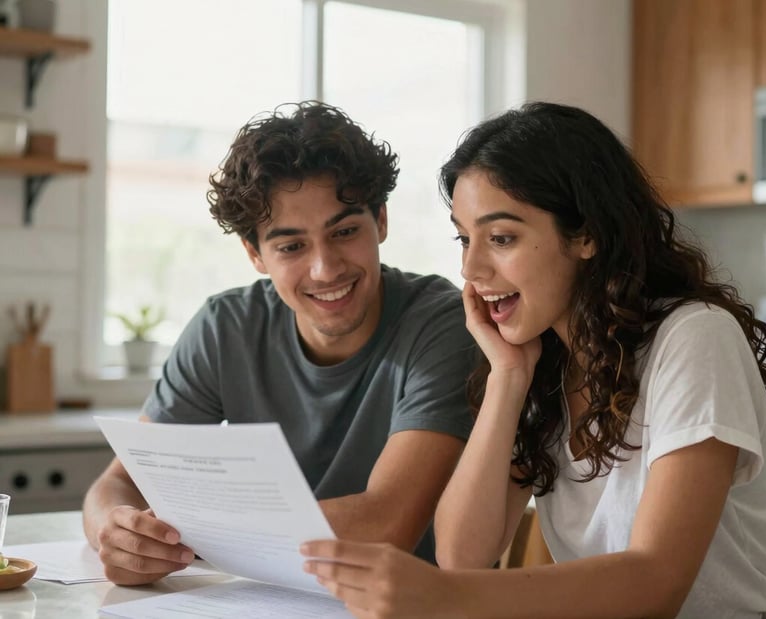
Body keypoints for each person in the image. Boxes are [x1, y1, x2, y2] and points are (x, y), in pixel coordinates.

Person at [301, 102, 766, 619]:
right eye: (464, 238)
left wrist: (444, 597)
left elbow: (656, 582)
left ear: (587, 233)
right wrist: (508, 376)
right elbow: (463, 555)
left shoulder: (694, 337)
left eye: (501, 238)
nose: (471, 267)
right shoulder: (543, 363)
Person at [83, 101, 476, 586]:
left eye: (346, 231)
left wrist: (194, 529)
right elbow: (119, 483)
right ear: (255, 254)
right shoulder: (225, 327)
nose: (325, 268)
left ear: (382, 221)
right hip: (259, 599)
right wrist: (118, 532)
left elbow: (384, 524)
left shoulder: (442, 323)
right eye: (291, 246)